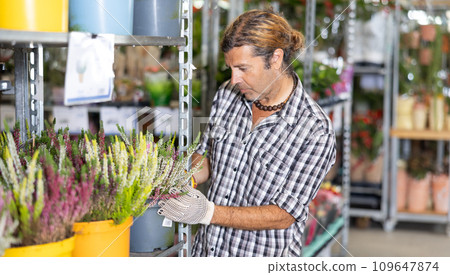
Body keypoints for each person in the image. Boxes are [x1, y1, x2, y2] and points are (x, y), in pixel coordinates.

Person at [158, 9, 336, 257]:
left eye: (243, 68)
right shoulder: (227, 95)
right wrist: (179, 177)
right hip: (207, 252)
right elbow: (206, 157)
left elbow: (284, 214)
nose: (234, 79)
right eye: (231, 68)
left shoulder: (314, 130)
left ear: (275, 59)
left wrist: (207, 212)